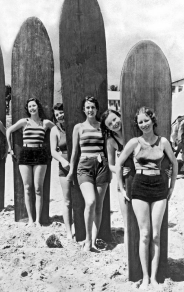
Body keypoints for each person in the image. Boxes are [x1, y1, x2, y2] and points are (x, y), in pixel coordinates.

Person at [115, 106, 177, 290]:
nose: (144, 124)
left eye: (146, 120)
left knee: (156, 235)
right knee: (145, 235)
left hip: (159, 188)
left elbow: (174, 163)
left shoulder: (163, 142)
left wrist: (172, 186)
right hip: (139, 187)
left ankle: (156, 278)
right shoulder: (134, 142)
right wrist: (121, 187)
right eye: (140, 122)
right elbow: (118, 165)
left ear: (153, 120)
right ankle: (145, 278)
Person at [67, 96, 111, 252]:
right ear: (83, 110)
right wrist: (71, 171)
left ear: (97, 109)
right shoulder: (78, 127)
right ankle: (87, 240)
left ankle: (92, 240)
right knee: (90, 202)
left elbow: (108, 149)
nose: (90, 110)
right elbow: (74, 152)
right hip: (84, 166)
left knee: (98, 206)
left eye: (93, 107)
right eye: (87, 107)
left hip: (101, 166)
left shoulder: (102, 127)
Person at [6, 97, 54, 227]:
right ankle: (31, 220)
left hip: (40, 154)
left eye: (34, 105)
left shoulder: (45, 123)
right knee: (27, 188)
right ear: (28, 109)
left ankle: (38, 220)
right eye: (30, 107)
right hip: (25, 154)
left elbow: (57, 132)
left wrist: (55, 148)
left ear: (38, 107)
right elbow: (9, 130)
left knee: (38, 189)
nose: (32, 108)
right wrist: (10, 149)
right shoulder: (24, 122)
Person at [100, 109, 132, 256]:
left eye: (115, 119)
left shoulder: (132, 132)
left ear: (120, 116)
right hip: (123, 183)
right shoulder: (111, 141)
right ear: (107, 128)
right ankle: (129, 256)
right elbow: (110, 164)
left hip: (141, 181)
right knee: (127, 222)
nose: (114, 124)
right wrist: (119, 170)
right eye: (110, 123)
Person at [50, 103, 74, 240]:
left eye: (61, 112)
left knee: (80, 199)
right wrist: (63, 161)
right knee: (67, 201)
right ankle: (69, 231)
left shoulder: (75, 125)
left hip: (79, 165)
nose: (60, 115)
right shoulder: (55, 130)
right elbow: (53, 151)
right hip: (64, 166)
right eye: (57, 114)